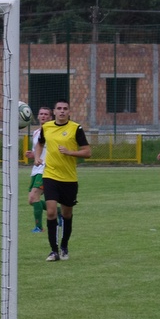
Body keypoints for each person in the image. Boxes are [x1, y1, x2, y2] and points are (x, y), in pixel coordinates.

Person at [34, 99, 91, 262]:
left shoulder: (76, 128)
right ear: (54, 111)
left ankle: (64, 245)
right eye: (59, 108)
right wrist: (37, 157)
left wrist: (70, 152)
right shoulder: (47, 127)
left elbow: (87, 152)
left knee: (67, 214)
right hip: (50, 175)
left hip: (69, 179)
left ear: (69, 112)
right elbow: (40, 144)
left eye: (65, 108)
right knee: (51, 212)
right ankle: (53, 251)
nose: (62, 111)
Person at [24, 106, 52, 233]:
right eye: (41, 114)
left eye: (46, 114)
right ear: (38, 116)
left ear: (50, 117)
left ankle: (39, 227)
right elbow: (38, 152)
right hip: (36, 169)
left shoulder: (51, 131)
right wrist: (32, 155)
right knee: (31, 200)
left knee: (34, 197)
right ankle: (59, 212)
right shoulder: (36, 133)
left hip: (46, 169)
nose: (43, 116)